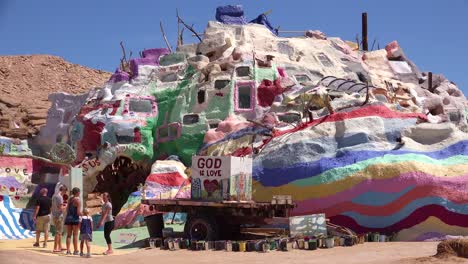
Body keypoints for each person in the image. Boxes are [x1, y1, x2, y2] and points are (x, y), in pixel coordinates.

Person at [64, 187, 81, 255]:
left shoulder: (70, 199)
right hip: (75, 219)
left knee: (68, 235)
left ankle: (68, 250)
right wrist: (86, 215)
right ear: (77, 192)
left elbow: (67, 210)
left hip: (68, 218)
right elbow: (78, 212)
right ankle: (75, 250)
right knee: (75, 235)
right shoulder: (78, 200)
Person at [51, 185, 67, 252]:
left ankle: (60, 246)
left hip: (54, 215)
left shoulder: (54, 196)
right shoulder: (60, 197)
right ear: (63, 190)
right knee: (58, 232)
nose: (65, 193)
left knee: (59, 232)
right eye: (65, 192)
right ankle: (55, 248)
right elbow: (60, 208)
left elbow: (54, 206)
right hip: (59, 216)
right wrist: (66, 206)